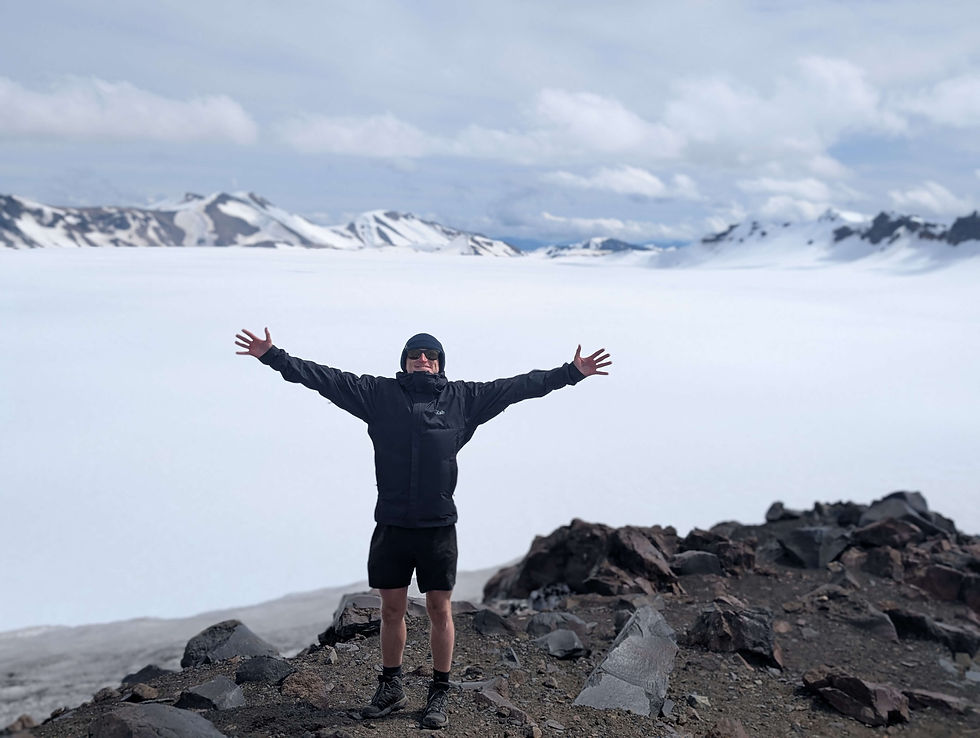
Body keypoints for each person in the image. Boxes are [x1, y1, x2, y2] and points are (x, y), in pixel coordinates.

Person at [234, 328, 611, 729]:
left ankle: (439, 691)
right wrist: (272, 355)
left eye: (431, 355)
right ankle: (391, 688)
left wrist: (570, 373)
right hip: (392, 525)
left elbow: (518, 387)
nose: (423, 360)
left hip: (437, 527)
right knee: (391, 609)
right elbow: (323, 378)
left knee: (439, 609)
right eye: (415, 354)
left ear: (440, 363)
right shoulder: (378, 394)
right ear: (405, 361)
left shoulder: (463, 399)